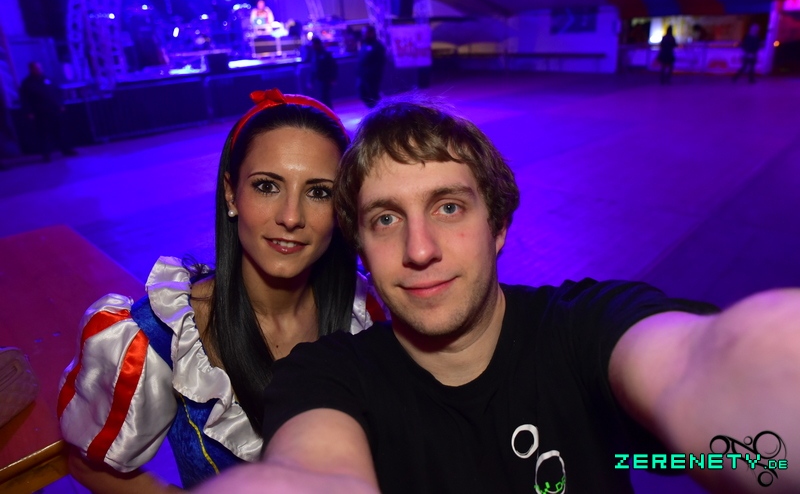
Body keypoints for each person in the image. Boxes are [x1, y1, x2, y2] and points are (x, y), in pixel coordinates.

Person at [195, 96, 800, 494]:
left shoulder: (585, 330)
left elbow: (697, 368)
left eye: (448, 207)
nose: (420, 249)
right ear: (361, 252)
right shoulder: (325, 377)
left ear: (499, 225)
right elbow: (315, 463)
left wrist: (753, 375)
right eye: (385, 219)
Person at [57, 88, 387, 492]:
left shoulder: (362, 311)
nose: (290, 217)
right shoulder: (164, 337)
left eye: (319, 192)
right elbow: (87, 466)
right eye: (267, 186)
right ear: (231, 193)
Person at [19, 61, 76, 161]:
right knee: (44, 134)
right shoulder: (27, 83)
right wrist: (29, 112)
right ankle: (46, 154)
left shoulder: (48, 79)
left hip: (54, 110)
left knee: (60, 131)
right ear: (31, 69)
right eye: (36, 68)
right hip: (40, 112)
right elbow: (25, 99)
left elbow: (57, 92)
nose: (39, 70)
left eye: (40, 68)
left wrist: (60, 104)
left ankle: (66, 149)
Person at [357, 25, 386, 108]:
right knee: (362, 92)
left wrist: (374, 73)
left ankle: (378, 109)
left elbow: (380, 62)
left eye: (366, 32)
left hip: (372, 76)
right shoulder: (363, 44)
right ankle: (372, 108)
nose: (364, 34)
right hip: (362, 75)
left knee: (373, 94)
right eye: (363, 33)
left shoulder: (378, 46)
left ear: (371, 33)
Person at [307, 37, 337, 109]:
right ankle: (325, 112)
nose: (312, 46)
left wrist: (333, 78)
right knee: (321, 99)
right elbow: (313, 69)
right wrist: (310, 80)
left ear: (317, 44)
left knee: (325, 98)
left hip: (326, 80)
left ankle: (329, 112)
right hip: (318, 80)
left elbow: (333, 66)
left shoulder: (325, 54)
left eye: (313, 44)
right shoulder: (314, 55)